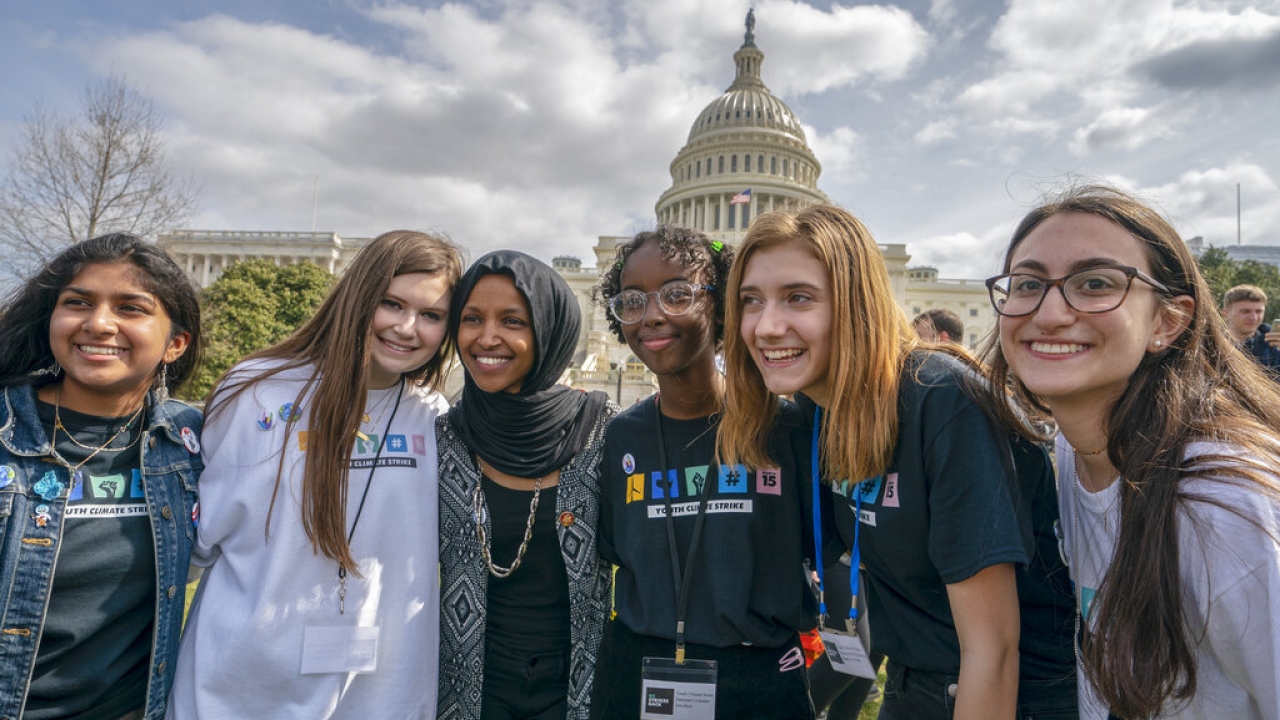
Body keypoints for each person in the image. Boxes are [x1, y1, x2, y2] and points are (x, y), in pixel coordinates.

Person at [719, 204, 1076, 720]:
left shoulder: (941, 401)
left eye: (799, 298)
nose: (767, 326)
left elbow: (993, 648)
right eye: (751, 301)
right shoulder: (816, 413)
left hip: (1011, 693)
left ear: (855, 303)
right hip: (914, 682)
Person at [980, 185, 1280, 720]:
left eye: (1095, 283)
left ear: (1168, 321)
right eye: (1028, 284)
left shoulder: (1225, 507)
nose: (1049, 313)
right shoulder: (1077, 451)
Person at [167, 230, 462, 718]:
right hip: (241, 685)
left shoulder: (430, 414)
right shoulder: (257, 390)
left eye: (431, 315)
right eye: (391, 304)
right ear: (358, 297)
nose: (407, 328)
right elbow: (198, 542)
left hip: (377, 691)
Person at [590, 227, 819, 719]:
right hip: (637, 676)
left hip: (759, 682)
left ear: (720, 304)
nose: (652, 315)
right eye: (632, 301)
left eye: (677, 295)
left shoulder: (785, 428)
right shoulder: (619, 438)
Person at [0, 233, 203, 720]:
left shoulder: (189, 442)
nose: (99, 323)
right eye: (78, 303)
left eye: (131, 308)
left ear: (175, 343)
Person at [436, 250, 616, 720]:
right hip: (466, 687)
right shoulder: (442, 438)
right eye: (471, 318)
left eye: (513, 321)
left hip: (581, 689)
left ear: (549, 329)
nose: (486, 337)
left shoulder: (604, 433)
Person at [1221, 284, 1280, 374]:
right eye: (1246, 311)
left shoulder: (1272, 345)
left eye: (1259, 311)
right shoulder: (1210, 344)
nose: (1254, 317)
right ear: (1226, 314)